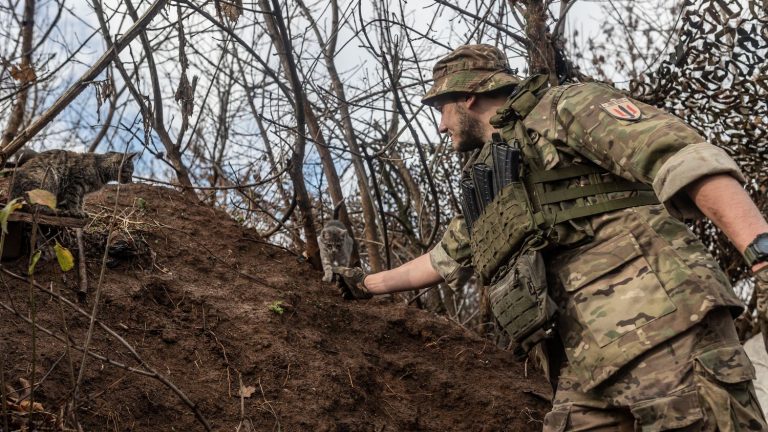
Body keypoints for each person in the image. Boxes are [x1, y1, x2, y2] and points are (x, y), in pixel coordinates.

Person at [332, 44, 768, 431]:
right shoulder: (491, 181)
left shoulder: (566, 107)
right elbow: (443, 258)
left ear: (467, 95)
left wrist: (761, 251)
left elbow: (681, 157)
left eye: (441, 109)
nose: (442, 126)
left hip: (668, 330)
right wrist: (363, 286)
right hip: (580, 370)